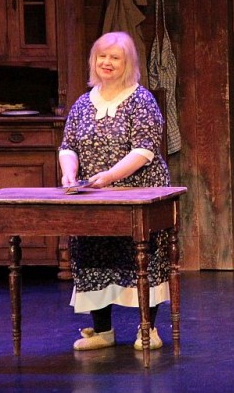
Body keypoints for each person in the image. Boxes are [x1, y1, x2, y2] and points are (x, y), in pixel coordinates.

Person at [59, 31, 171, 351]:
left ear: (128, 63)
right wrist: (69, 172)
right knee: (93, 254)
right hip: (95, 195)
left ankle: (148, 329)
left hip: (138, 191)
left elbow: (144, 150)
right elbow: (68, 146)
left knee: (142, 258)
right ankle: (102, 331)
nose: (107, 62)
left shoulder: (141, 100)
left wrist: (110, 176)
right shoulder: (83, 103)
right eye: (102, 56)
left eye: (115, 57)